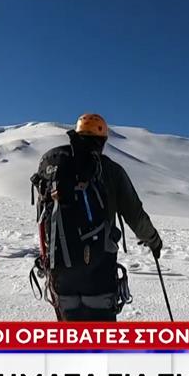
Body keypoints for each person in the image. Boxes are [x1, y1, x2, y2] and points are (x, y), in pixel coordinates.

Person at [35, 113, 163, 321]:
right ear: (102, 141)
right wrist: (153, 240)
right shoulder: (110, 170)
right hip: (99, 268)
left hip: (60, 270)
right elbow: (135, 214)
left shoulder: (54, 167)